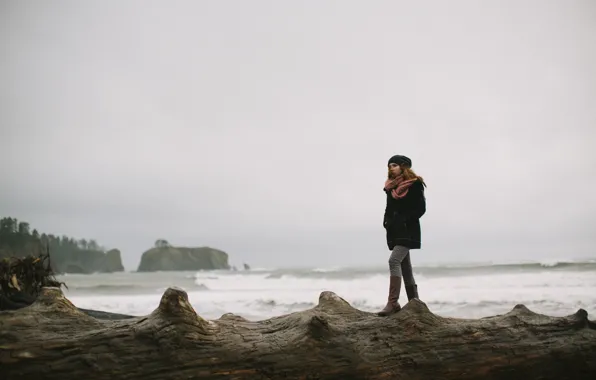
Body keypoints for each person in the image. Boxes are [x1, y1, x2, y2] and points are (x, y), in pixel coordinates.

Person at [377, 154, 427, 316]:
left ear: (403, 166)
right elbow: (388, 209)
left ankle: (393, 303)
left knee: (394, 260)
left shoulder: (415, 184)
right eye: (389, 165)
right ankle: (415, 303)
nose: (391, 167)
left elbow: (420, 209)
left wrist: (404, 219)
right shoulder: (390, 188)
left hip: (408, 229)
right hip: (395, 230)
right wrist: (386, 222)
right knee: (405, 267)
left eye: (394, 165)